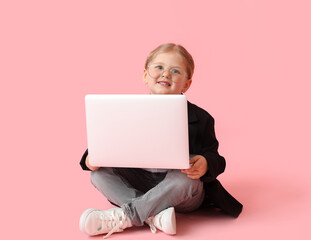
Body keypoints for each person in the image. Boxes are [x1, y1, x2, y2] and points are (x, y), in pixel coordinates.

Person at [79, 43, 243, 238]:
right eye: (159, 67)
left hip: (180, 190)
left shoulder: (202, 118)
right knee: (98, 175)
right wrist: (91, 158)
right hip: (140, 181)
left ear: (187, 84)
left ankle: (127, 216)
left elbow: (217, 159)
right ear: (145, 75)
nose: (166, 74)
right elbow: (106, 144)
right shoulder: (125, 111)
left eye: (175, 71)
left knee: (186, 179)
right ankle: (154, 217)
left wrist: (206, 163)